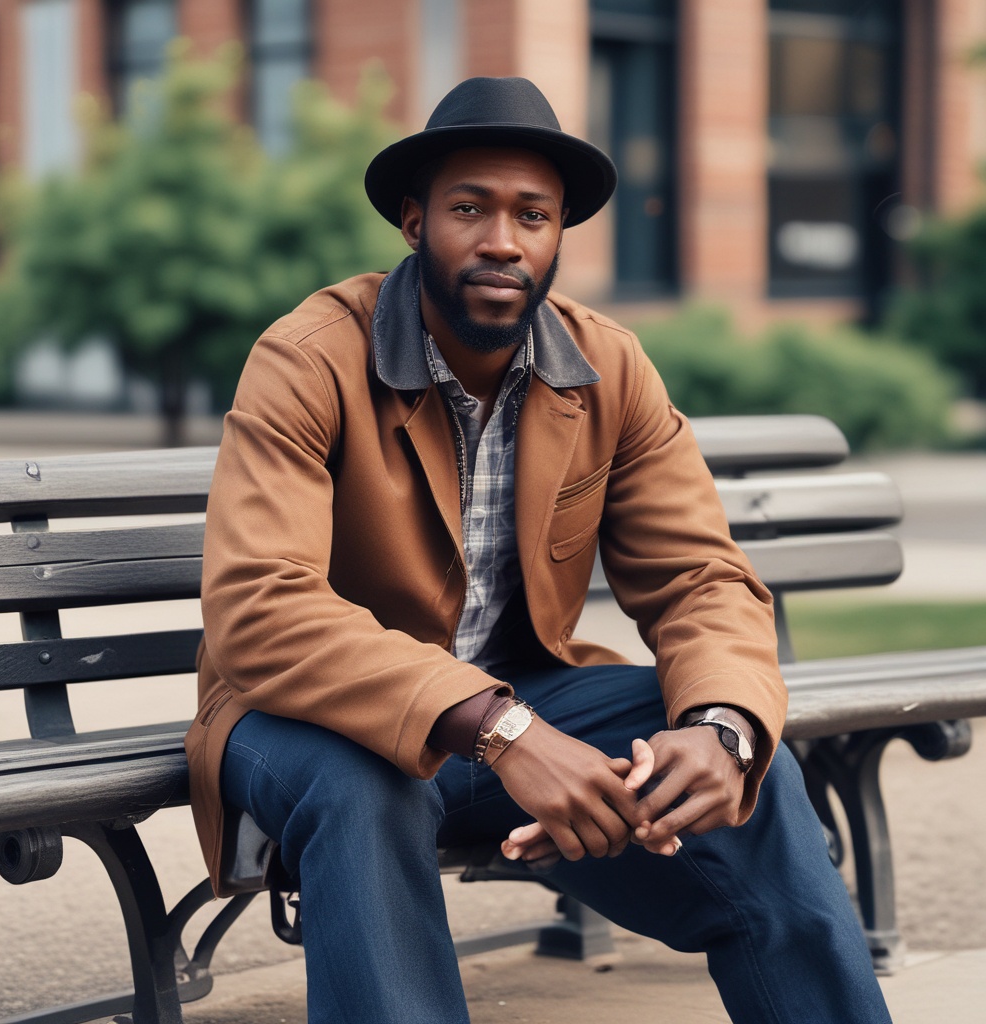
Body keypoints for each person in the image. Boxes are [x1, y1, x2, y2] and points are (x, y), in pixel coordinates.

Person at [185, 76, 892, 1023]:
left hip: (525, 696)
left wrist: (721, 726)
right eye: (469, 207)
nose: (502, 241)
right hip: (307, 717)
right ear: (412, 221)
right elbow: (261, 608)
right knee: (369, 787)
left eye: (533, 215)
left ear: (559, 235)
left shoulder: (610, 368)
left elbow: (699, 580)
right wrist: (502, 730)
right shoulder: (308, 356)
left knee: (748, 772)